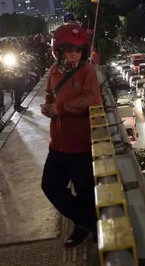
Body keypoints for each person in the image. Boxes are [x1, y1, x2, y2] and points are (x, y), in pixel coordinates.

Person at [40, 23, 101, 247]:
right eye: (69, 50)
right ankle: (88, 221)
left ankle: (83, 227)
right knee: (50, 186)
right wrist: (48, 107)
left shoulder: (87, 71)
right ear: (60, 51)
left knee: (85, 190)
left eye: (78, 50)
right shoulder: (53, 72)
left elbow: (91, 98)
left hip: (81, 143)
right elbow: (49, 95)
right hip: (57, 142)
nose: (74, 54)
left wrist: (61, 108)